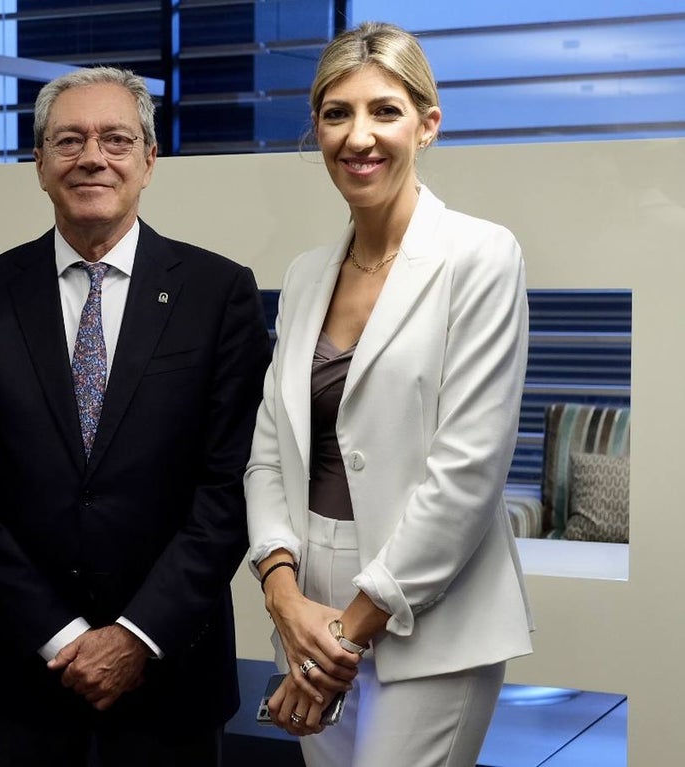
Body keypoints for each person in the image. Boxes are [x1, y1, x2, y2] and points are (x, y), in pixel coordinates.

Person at [0, 66, 270, 766]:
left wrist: (138, 634)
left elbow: (231, 484)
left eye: (117, 139)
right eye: (69, 140)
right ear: (39, 163)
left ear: (149, 160)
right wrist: (60, 634)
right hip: (25, 667)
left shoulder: (219, 294)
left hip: (171, 667)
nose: (93, 156)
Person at [244, 22, 533, 767]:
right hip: (309, 605)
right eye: (337, 113)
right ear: (316, 128)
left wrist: (346, 633)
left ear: (428, 124)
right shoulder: (308, 273)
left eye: (385, 111)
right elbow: (269, 454)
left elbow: (467, 476)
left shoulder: (481, 255)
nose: (358, 136)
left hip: (429, 616)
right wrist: (285, 596)